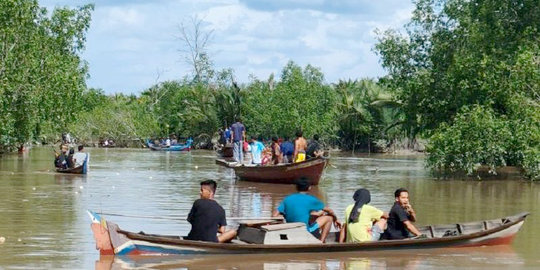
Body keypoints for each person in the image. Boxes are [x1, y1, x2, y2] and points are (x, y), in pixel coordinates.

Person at [272, 178, 341, 243]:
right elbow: (329, 210)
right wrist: (336, 219)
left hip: (291, 230)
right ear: (309, 187)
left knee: (316, 215)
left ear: (296, 187)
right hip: (304, 231)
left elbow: (275, 215)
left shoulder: (287, 199)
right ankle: (321, 243)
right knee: (329, 218)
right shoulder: (311, 199)